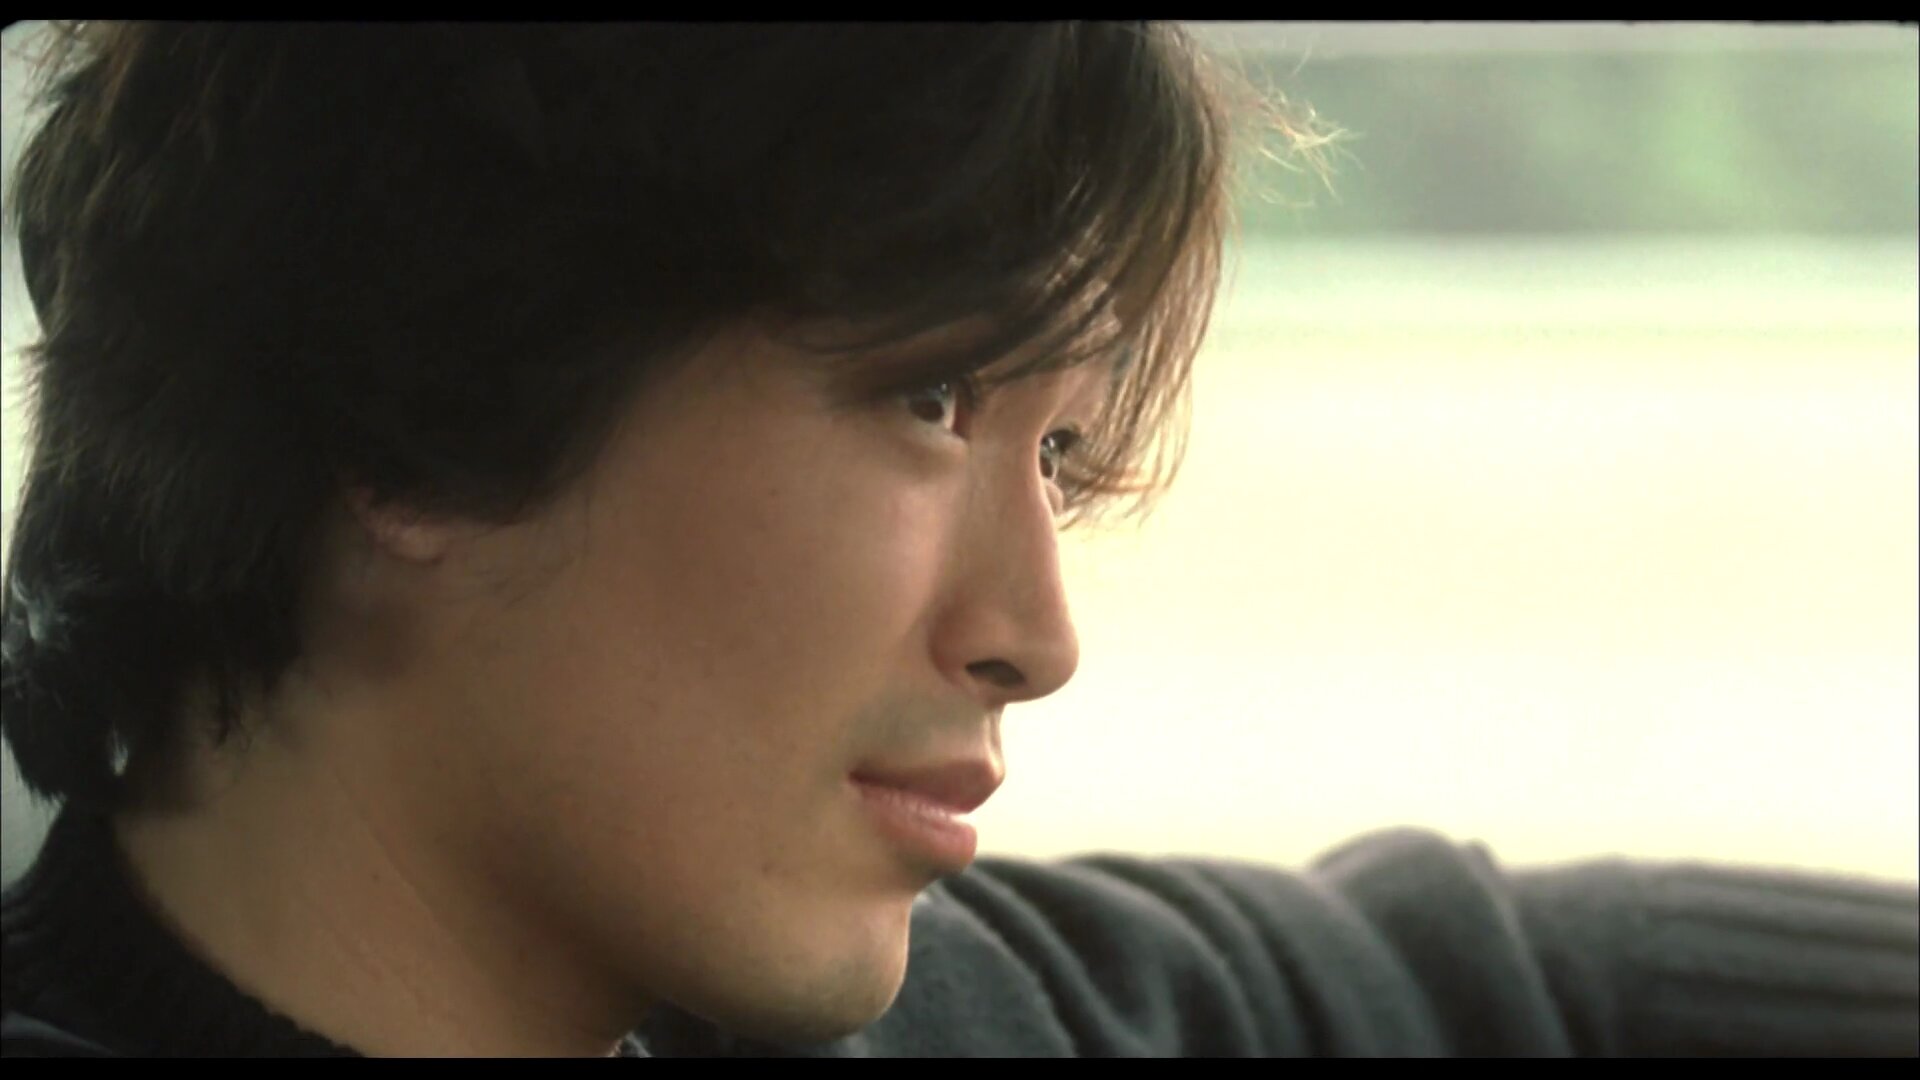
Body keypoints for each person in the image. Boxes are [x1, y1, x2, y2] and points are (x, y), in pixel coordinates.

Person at [0, 22, 1913, 1059]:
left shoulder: (921, 1014)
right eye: (933, 401)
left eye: (1061, 457)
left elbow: (1524, 972)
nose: (1039, 637)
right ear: (419, 399)